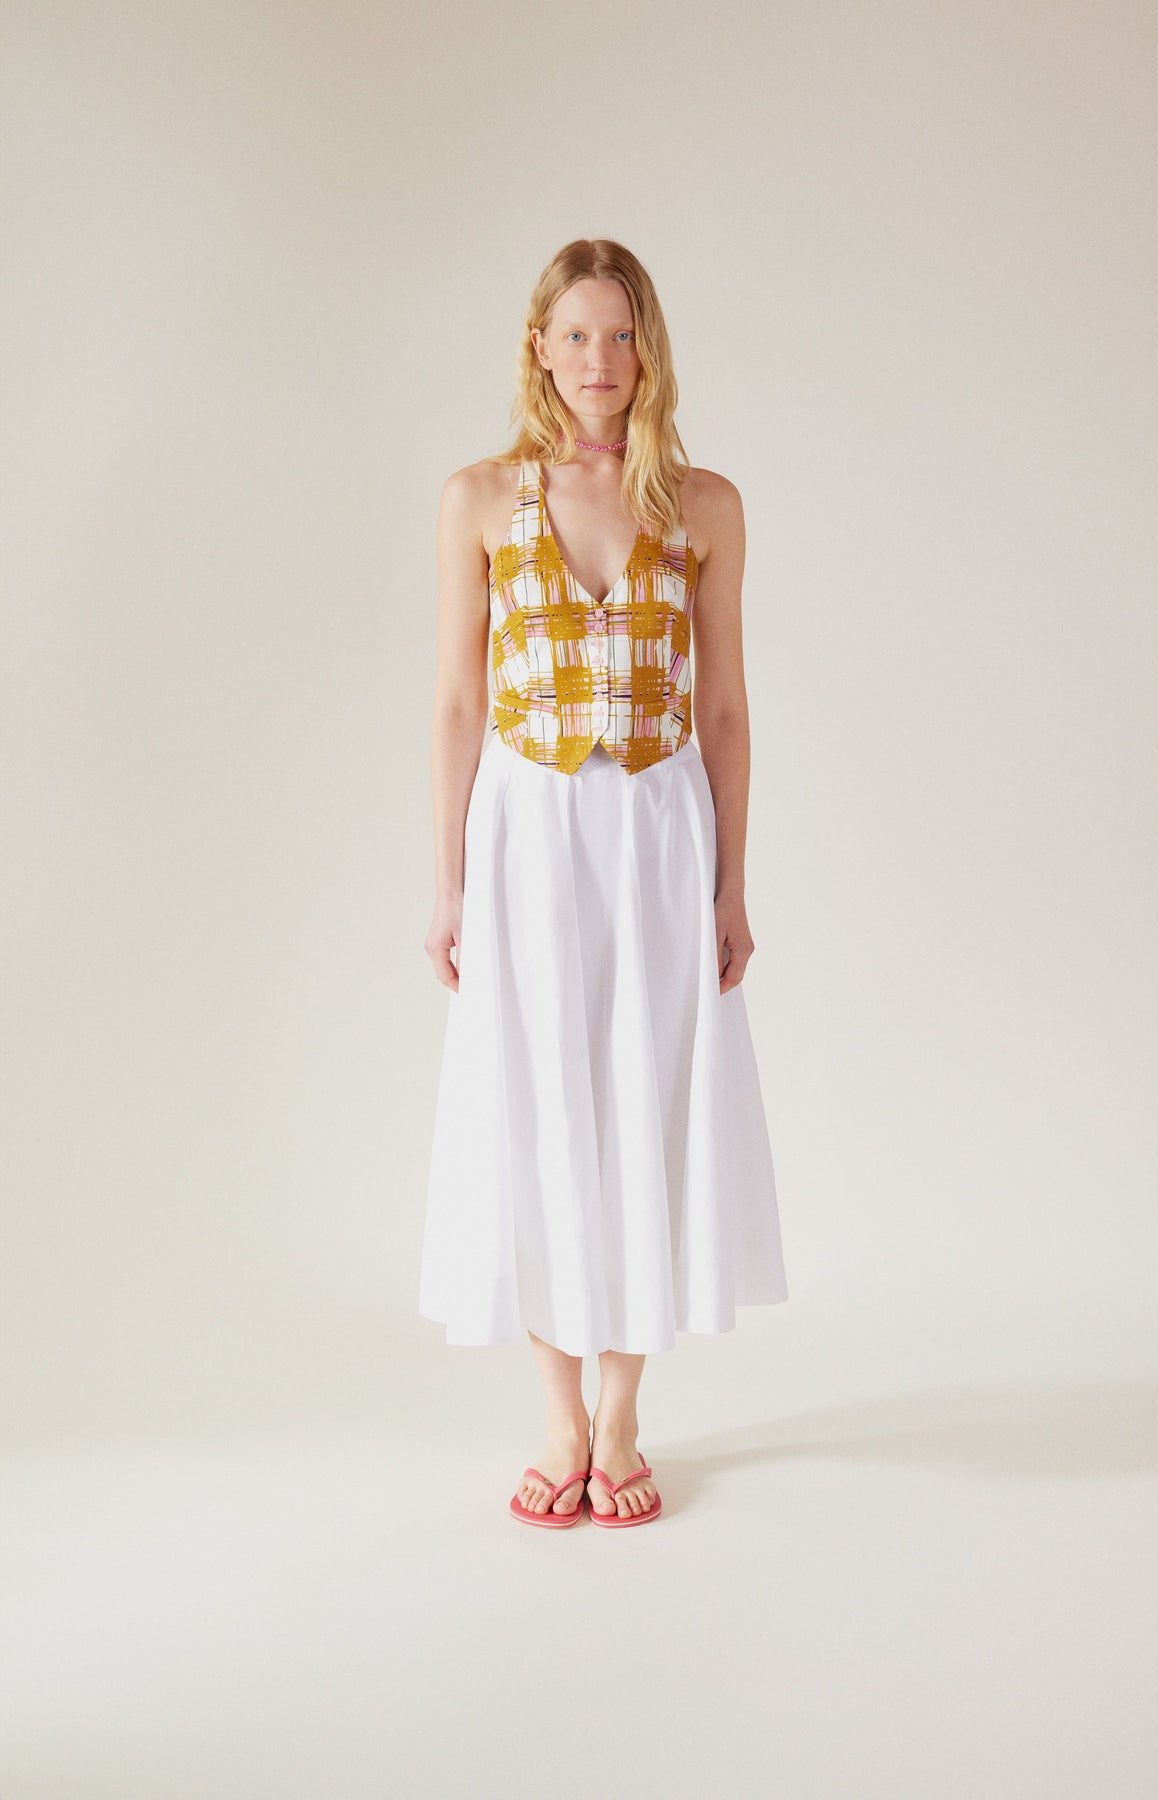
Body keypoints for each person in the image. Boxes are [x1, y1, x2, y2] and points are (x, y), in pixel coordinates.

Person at [419, 238, 788, 1529]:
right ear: (539, 347)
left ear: (648, 351)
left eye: (620, 336)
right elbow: (459, 701)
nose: (598, 359)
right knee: (539, 1097)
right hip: (527, 830)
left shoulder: (701, 505)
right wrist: (450, 882)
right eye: (575, 335)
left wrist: (731, 883)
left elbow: (725, 707)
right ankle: (558, 1418)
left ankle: (622, 1416)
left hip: (655, 831)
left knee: (645, 1094)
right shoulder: (478, 499)